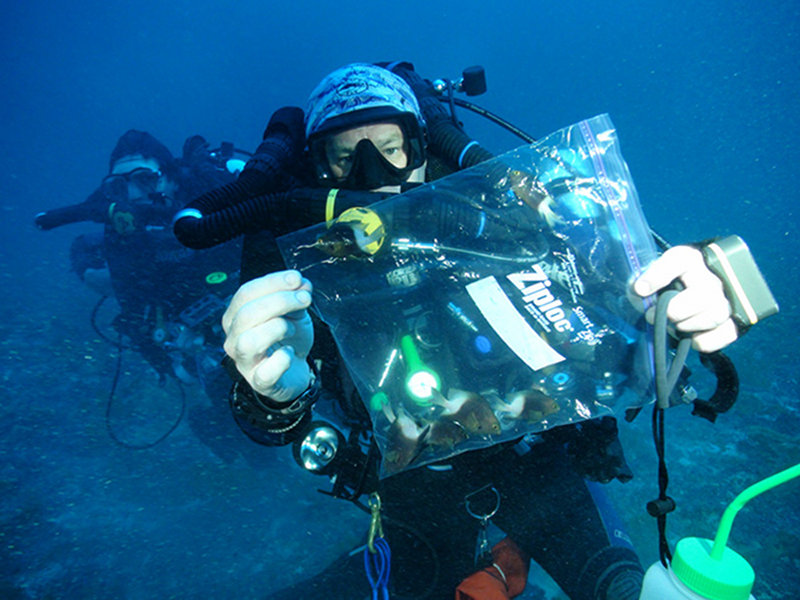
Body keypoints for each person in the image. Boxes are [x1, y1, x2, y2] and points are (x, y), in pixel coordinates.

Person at [214, 64, 744, 599]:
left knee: (623, 587)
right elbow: (264, 417)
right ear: (316, 172)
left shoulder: (491, 222)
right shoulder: (306, 271)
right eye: (345, 157)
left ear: (423, 149)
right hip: (409, 488)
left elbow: (614, 295)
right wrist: (276, 391)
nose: (372, 174)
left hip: (535, 461)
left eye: (390, 147)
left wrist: (676, 304)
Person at [35, 130, 247, 457]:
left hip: (244, 301)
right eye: (119, 187)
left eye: (146, 179)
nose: (133, 195)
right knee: (234, 420)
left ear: (173, 180)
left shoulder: (216, 203)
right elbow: (88, 255)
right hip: (193, 329)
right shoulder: (120, 238)